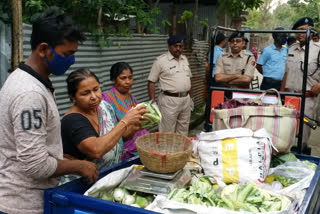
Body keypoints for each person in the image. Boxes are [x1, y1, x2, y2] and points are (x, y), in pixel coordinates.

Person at [0, 8, 99, 214]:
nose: (72, 61)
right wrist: (79, 166)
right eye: (67, 54)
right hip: (24, 204)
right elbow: (35, 165)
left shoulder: (28, 80)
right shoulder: (29, 93)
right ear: (44, 49)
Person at [61, 68, 148, 183]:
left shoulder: (104, 106)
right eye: (85, 93)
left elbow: (115, 138)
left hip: (109, 176)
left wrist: (133, 127)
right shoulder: (73, 120)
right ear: (73, 97)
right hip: (83, 183)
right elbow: (96, 150)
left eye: (96, 89)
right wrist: (125, 121)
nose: (94, 96)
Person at [280, 17, 320, 154]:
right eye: (297, 31)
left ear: (312, 31)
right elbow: (286, 73)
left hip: (308, 99)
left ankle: (302, 157)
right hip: (291, 97)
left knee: (302, 135)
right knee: (286, 132)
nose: (300, 34)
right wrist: (281, 95)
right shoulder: (292, 48)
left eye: (304, 30)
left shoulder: (319, 49)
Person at [148, 34, 192, 136]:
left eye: (181, 46)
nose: (178, 49)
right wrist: (153, 102)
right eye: (175, 46)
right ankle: (166, 152)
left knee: (183, 130)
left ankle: (180, 151)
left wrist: (191, 98)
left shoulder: (184, 59)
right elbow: (151, 82)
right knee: (167, 132)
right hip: (169, 101)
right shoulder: (160, 61)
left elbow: (188, 79)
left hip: (185, 100)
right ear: (169, 46)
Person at [102, 62, 148, 160]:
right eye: (123, 78)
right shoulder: (106, 98)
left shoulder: (131, 98)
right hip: (120, 147)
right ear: (114, 80)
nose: (128, 82)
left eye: (130, 78)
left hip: (137, 144)